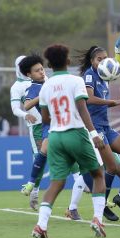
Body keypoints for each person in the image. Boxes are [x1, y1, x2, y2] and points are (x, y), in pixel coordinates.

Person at [31, 44, 107, 238]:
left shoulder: (46, 86)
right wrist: (94, 134)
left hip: (55, 136)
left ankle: (41, 226)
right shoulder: (76, 80)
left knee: (56, 183)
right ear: (68, 61)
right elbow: (83, 109)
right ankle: (98, 219)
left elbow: (45, 118)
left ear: (49, 64)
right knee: (98, 174)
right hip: (76, 133)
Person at [66, 46, 120, 221]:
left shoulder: (104, 77)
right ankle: (103, 204)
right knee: (113, 167)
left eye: (105, 58)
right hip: (94, 128)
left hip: (106, 127)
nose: (103, 61)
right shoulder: (89, 75)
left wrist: (119, 101)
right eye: (99, 59)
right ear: (92, 61)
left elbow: (100, 103)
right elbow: (89, 99)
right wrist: (114, 102)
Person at [19, 54, 81, 207]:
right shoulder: (35, 88)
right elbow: (26, 106)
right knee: (44, 151)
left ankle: (80, 197)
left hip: (67, 123)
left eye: (42, 69)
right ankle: (31, 183)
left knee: (76, 165)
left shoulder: (51, 82)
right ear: (29, 75)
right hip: (50, 125)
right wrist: (42, 95)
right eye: (36, 71)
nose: (41, 72)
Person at [10, 55, 42, 210]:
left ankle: (83, 185)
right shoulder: (16, 87)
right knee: (40, 159)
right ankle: (34, 193)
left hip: (53, 123)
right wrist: (25, 114)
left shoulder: (41, 78)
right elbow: (15, 109)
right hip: (36, 127)